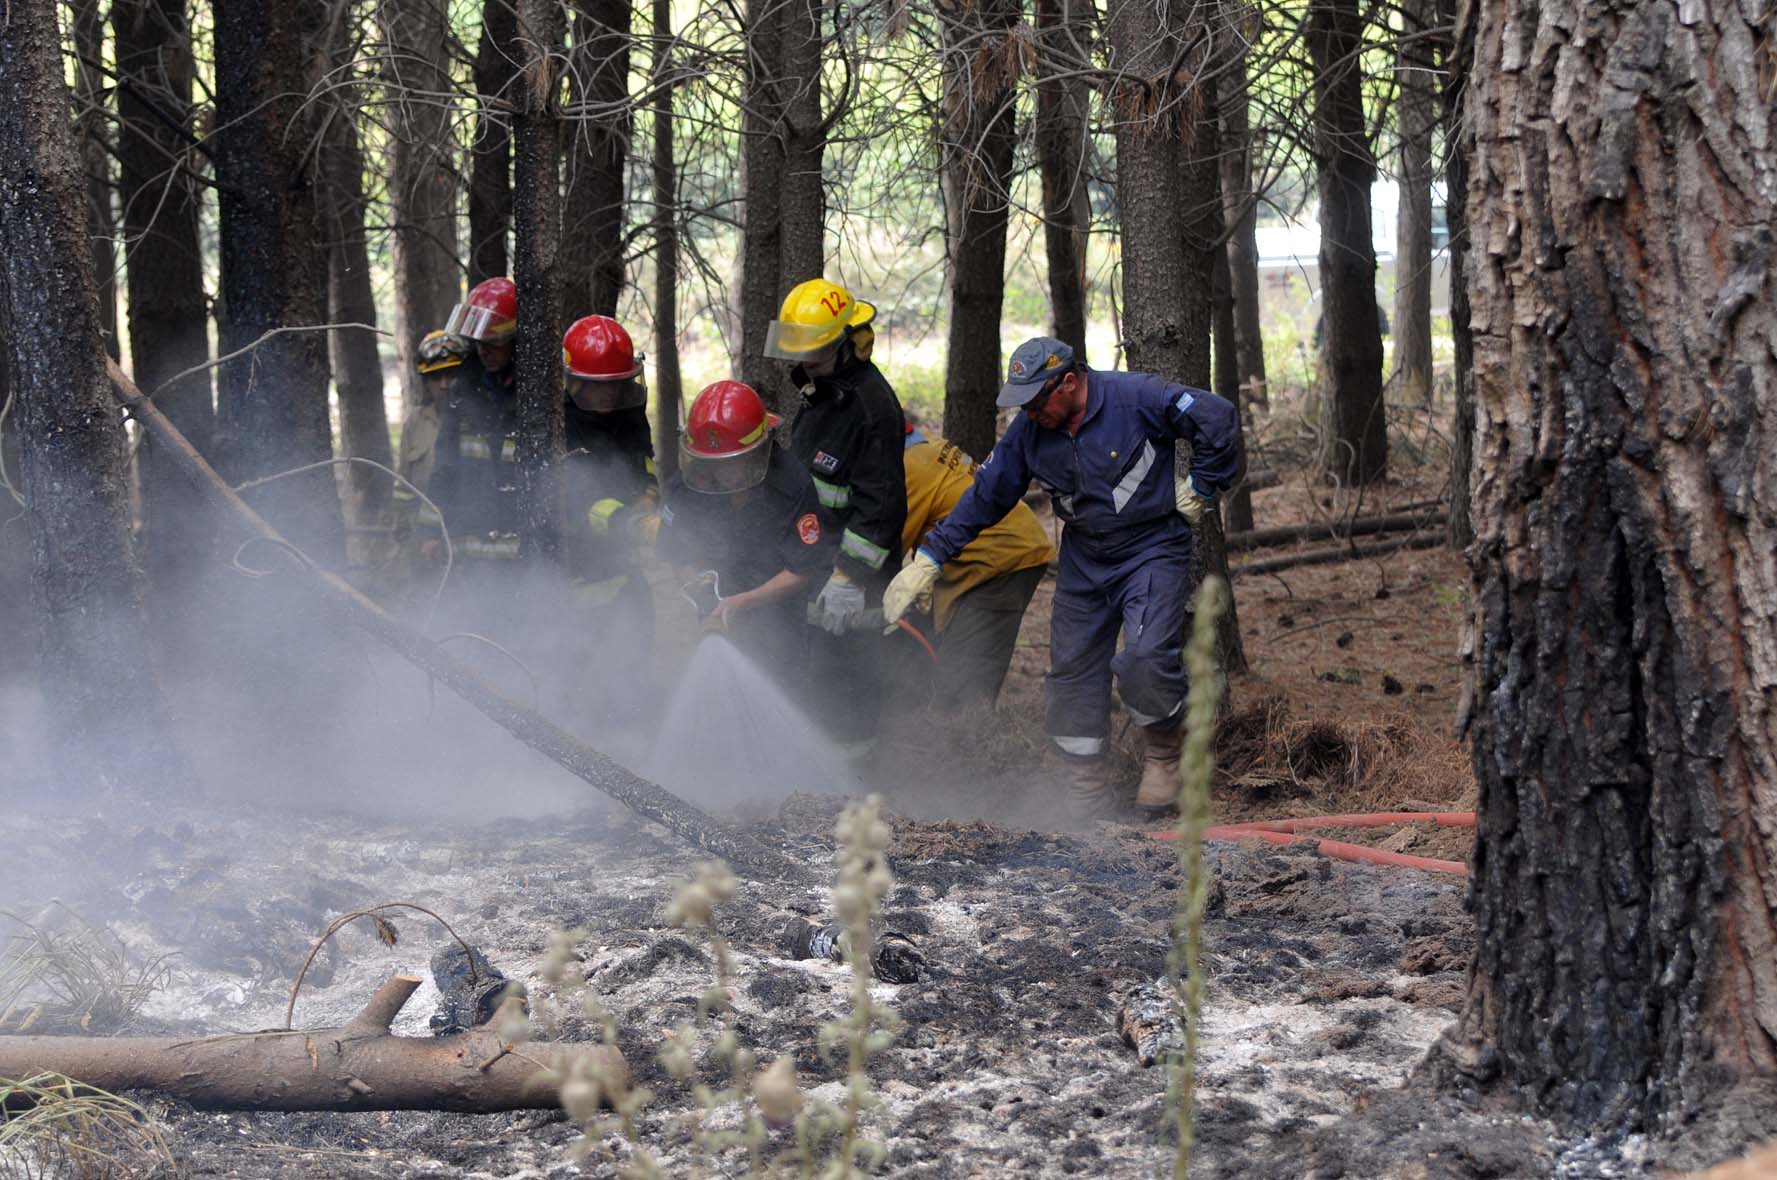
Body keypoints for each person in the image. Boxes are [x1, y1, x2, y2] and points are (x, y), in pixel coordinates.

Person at [883, 337, 1243, 816]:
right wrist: (931, 557)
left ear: (1069, 383)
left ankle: (1164, 757)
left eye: (1036, 402)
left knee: (1145, 659)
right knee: (1071, 672)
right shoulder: (1030, 431)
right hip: (1084, 556)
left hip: (1152, 548)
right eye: (1023, 405)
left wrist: (1202, 486)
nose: (1030, 413)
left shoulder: (1135, 398)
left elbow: (1217, 417)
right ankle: (1085, 783)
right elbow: (986, 494)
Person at [764, 277, 908, 753]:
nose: (804, 359)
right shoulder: (824, 391)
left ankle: (853, 779)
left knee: (849, 683)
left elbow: (881, 506)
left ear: (845, 341)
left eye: (814, 349)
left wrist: (849, 576)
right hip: (816, 563)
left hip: (853, 579)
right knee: (815, 680)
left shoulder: (870, 406)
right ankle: (816, 771)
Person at [656, 380, 838, 695]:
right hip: (717, 610)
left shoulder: (791, 484)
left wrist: (743, 602)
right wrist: (703, 591)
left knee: (783, 689)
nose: (719, 473)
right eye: (711, 464)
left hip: (778, 616)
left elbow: (804, 567)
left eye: (731, 463)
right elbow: (676, 553)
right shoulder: (686, 487)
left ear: (757, 450)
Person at [895, 423, 1055, 710]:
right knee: (940, 656)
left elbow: (883, 554)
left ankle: (964, 730)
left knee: (965, 677)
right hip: (983, 552)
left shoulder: (905, 469)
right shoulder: (918, 445)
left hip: (1003, 559)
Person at [557, 315, 659, 703]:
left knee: (635, 648)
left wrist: (648, 496)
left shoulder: (630, 413)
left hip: (624, 563)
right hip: (578, 561)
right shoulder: (559, 423)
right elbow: (573, 497)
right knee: (583, 668)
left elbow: (644, 465)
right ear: (575, 382)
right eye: (599, 386)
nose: (609, 395)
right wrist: (629, 522)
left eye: (616, 385)